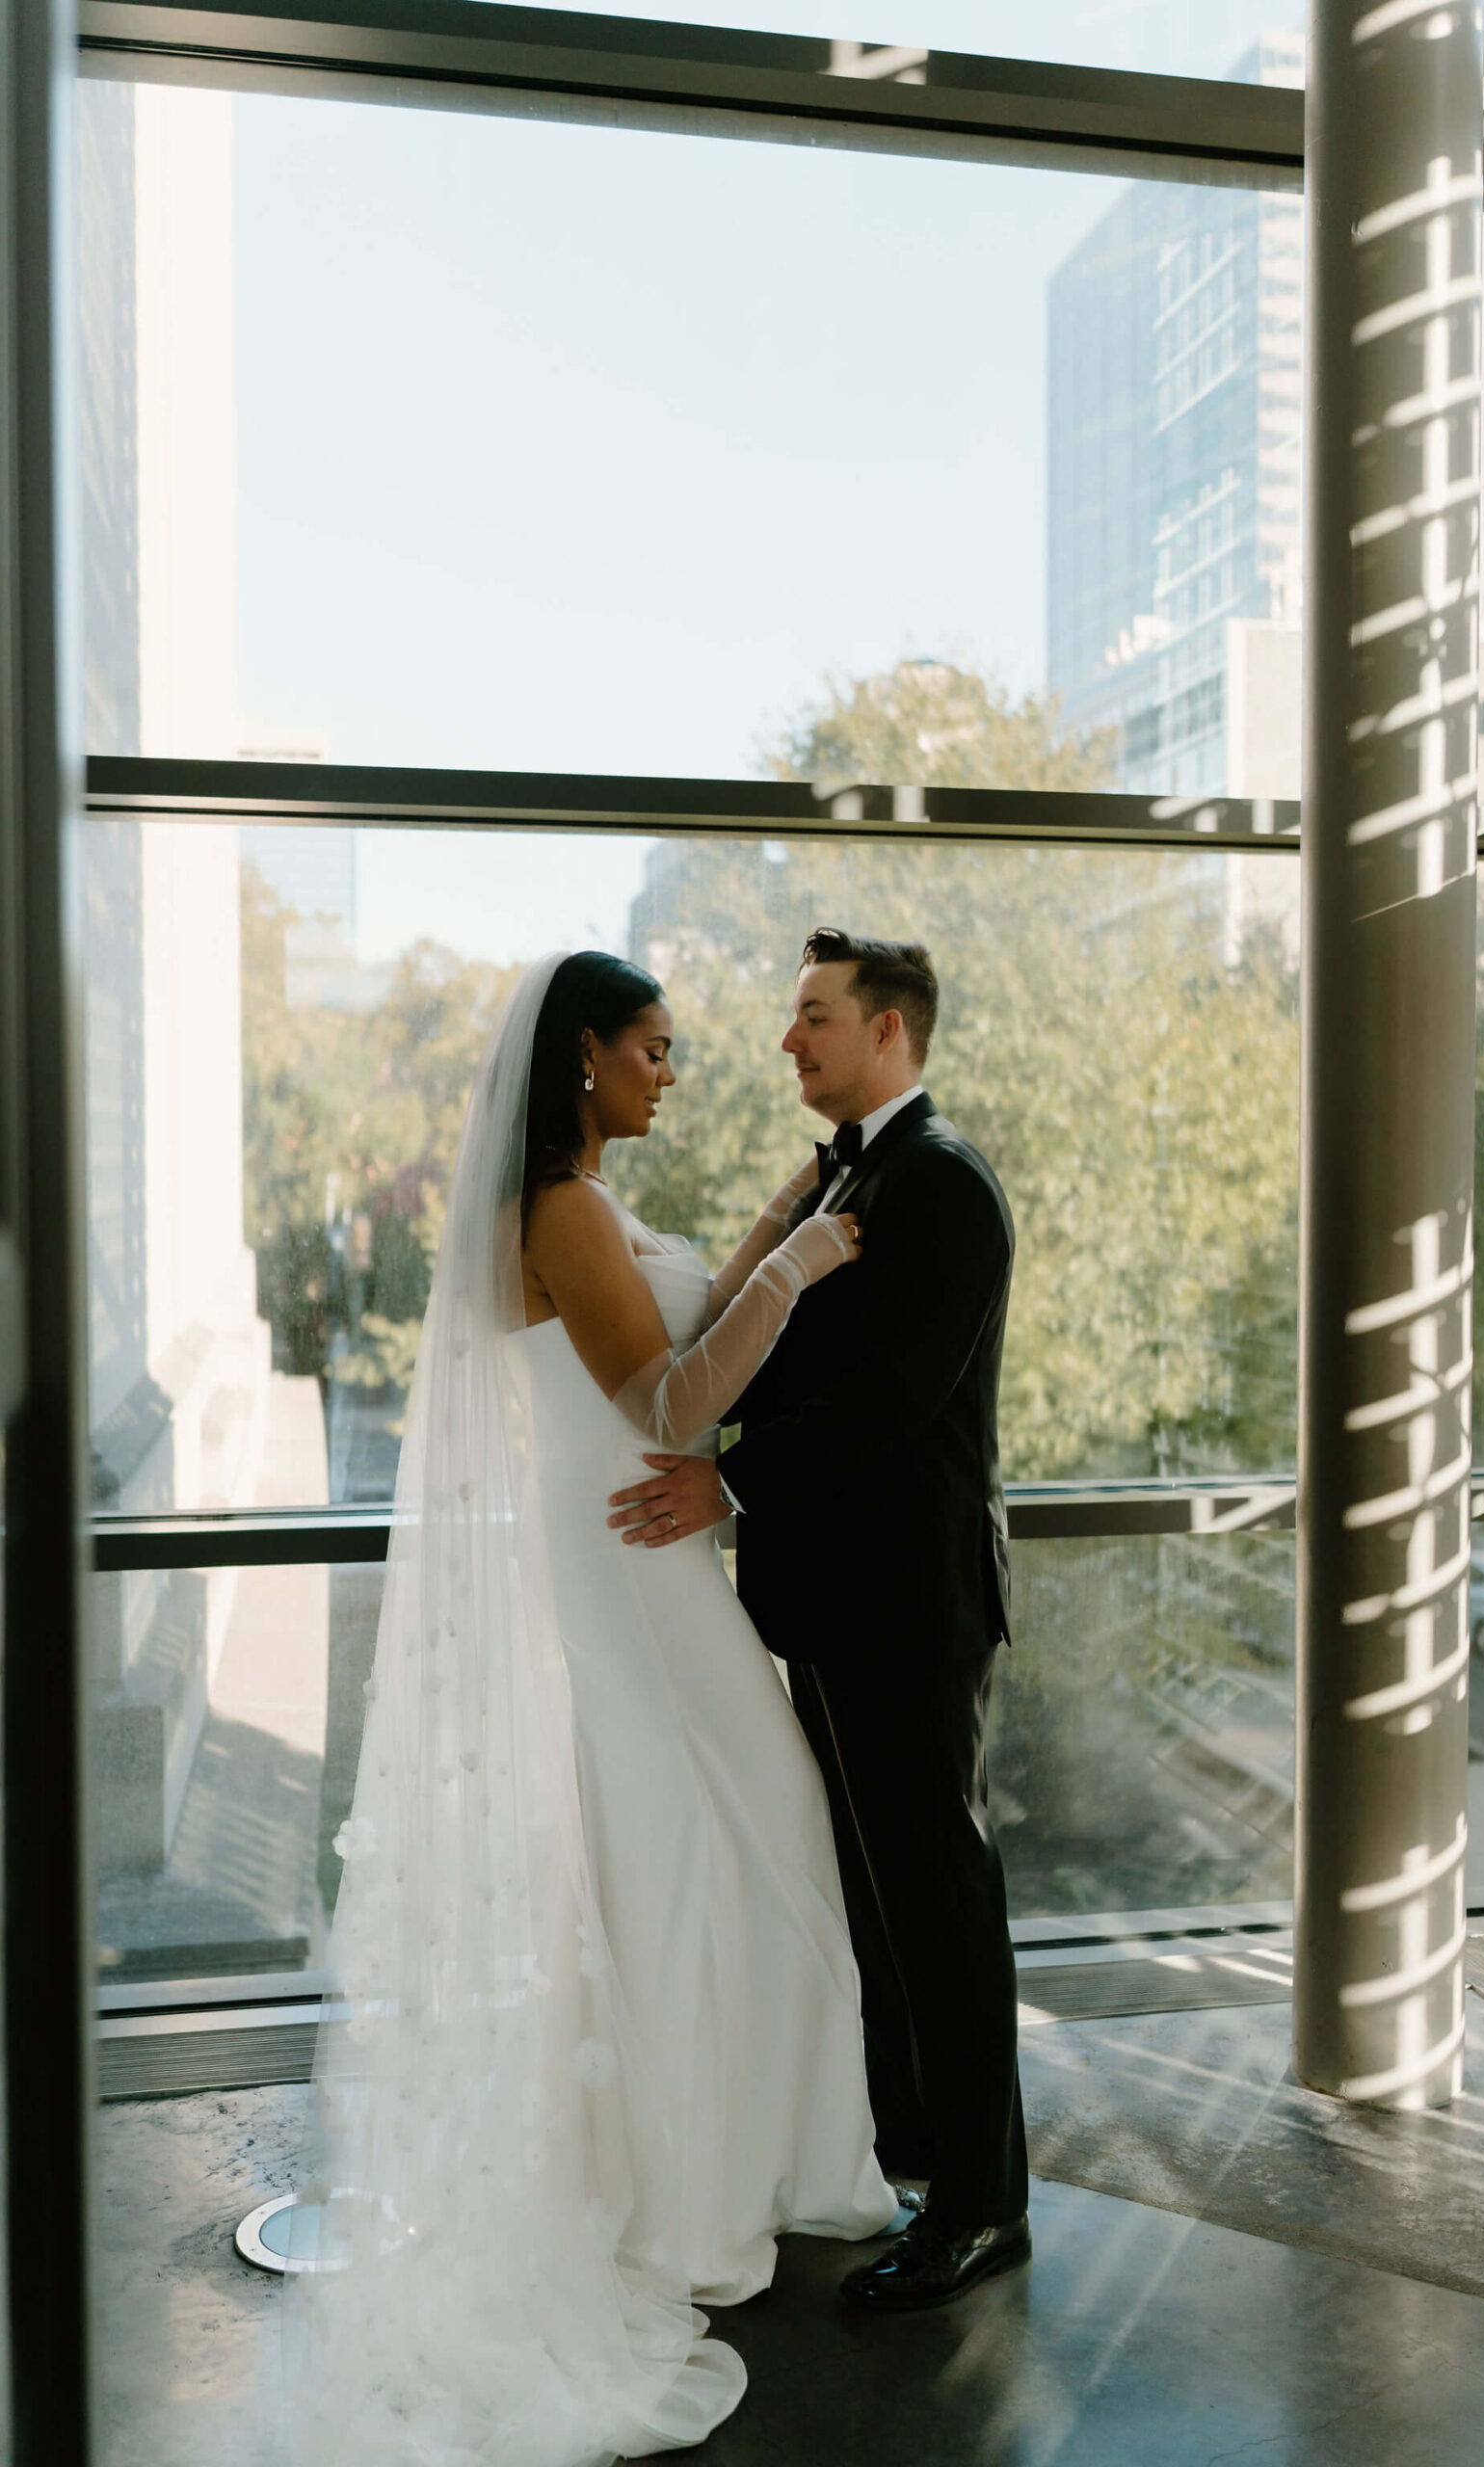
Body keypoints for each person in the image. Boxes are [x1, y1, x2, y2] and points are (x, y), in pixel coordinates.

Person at [288, 950, 897, 2465]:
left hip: (634, 1545)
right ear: (583, 1060)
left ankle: (727, 2166)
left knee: (704, 1841)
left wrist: (782, 1219)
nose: (671, 1070)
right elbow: (672, 1404)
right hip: (636, 1555)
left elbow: (668, 1323)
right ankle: (698, 2194)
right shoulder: (559, 1210)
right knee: (717, 1842)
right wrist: (803, 1269)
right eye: (654, 1048)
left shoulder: (583, 1206)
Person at [607, 928, 1029, 2312]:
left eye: (815, 1018)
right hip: (838, 1598)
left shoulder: (944, 1187)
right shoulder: (852, 1173)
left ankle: (980, 2208)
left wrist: (723, 1478)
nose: (789, 1041)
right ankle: (907, 2150)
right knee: (876, 1893)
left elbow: (892, 1399)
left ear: (891, 1031)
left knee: (941, 1902)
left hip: (908, 1605)